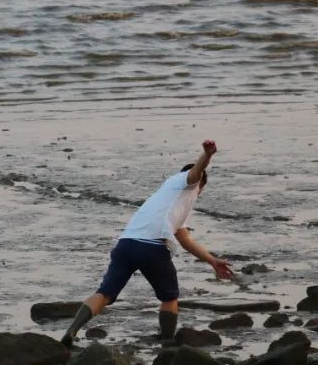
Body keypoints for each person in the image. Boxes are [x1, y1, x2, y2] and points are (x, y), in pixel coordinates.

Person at [61, 140, 233, 347]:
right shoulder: (187, 183)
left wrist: (212, 261)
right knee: (169, 297)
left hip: (125, 245)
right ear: (200, 185)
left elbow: (185, 239)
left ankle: (71, 332)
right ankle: (168, 344)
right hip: (152, 247)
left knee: (104, 293)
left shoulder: (169, 198)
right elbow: (196, 172)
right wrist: (207, 155)